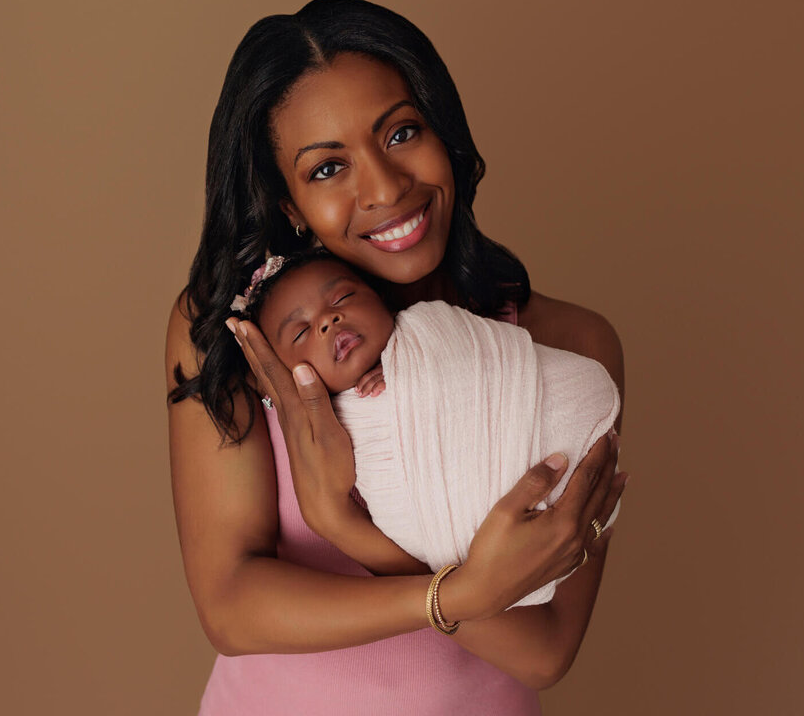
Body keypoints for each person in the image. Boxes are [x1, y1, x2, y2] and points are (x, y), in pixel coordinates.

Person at [165, 0, 628, 714]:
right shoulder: (241, 334)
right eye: (326, 170)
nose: (384, 187)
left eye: (402, 132)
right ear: (287, 203)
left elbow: (544, 650)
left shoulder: (566, 347)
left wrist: (351, 529)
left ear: (444, 131)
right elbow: (230, 608)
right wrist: (458, 594)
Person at [231, 248, 623, 610]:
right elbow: (232, 612)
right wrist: (333, 517)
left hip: (569, 443)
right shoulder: (331, 425)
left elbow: (547, 657)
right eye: (301, 332)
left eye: (343, 299)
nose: (328, 321)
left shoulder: (428, 327)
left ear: (381, 298)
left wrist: (411, 363)